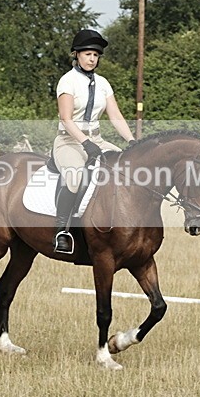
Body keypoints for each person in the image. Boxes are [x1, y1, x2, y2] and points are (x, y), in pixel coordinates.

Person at [52, 29, 136, 253]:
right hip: (69, 141)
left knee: (125, 167)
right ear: (76, 55)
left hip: (97, 139)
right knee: (75, 176)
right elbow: (66, 118)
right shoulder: (67, 82)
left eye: (95, 55)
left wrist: (131, 140)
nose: (91, 59)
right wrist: (85, 143)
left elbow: (115, 116)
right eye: (87, 54)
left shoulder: (104, 83)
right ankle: (62, 229)